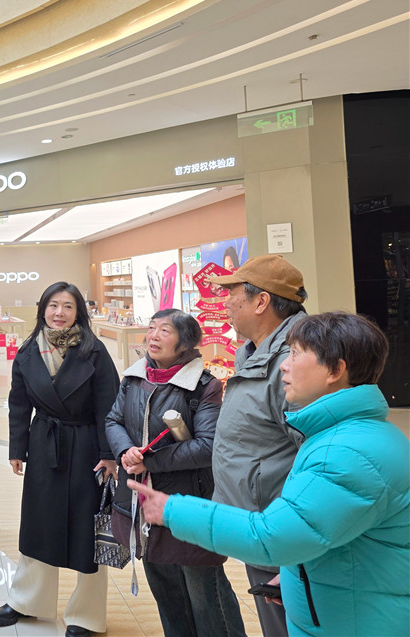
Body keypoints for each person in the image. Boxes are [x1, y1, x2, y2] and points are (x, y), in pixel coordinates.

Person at [130, 312, 409, 637]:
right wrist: (296, 575)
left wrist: (172, 509)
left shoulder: (346, 453)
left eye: (296, 355)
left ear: (335, 371)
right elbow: (333, 530)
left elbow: (270, 538)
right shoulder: (348, 434)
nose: (284, 366)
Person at [105, 309, 246, 637]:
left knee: (205, 594)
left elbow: (207, 446)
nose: (153, 336)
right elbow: (113, 420)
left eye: (165, 330)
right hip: (142, 504)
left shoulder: (203, 385)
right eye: (152, 328)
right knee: (166, 592)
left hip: (188, 503)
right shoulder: (134, 378)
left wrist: (150, 462)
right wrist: (125, 450)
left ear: (185, 342)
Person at [0, 281, 119, 636]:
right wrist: (17, 449)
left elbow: (109, 406)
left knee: (88, 531)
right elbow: (19, 405)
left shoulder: (95, 351)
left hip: (88, 448)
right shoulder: (28, 351)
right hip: (45, 445)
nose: (59, 313)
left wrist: (109, 454)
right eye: (53, 305)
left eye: (68, 306)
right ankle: (26, 601)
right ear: (42, 309)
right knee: (38, 524)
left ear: (78, 312)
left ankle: (86, 615)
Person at [208, 254, 308, 636]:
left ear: (261, 301)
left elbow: (315, 456)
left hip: (282, 535)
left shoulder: (293, 362)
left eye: (232, 294)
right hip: (260, 528)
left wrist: (297, 552)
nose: (226, 303)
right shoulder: (255, 351)